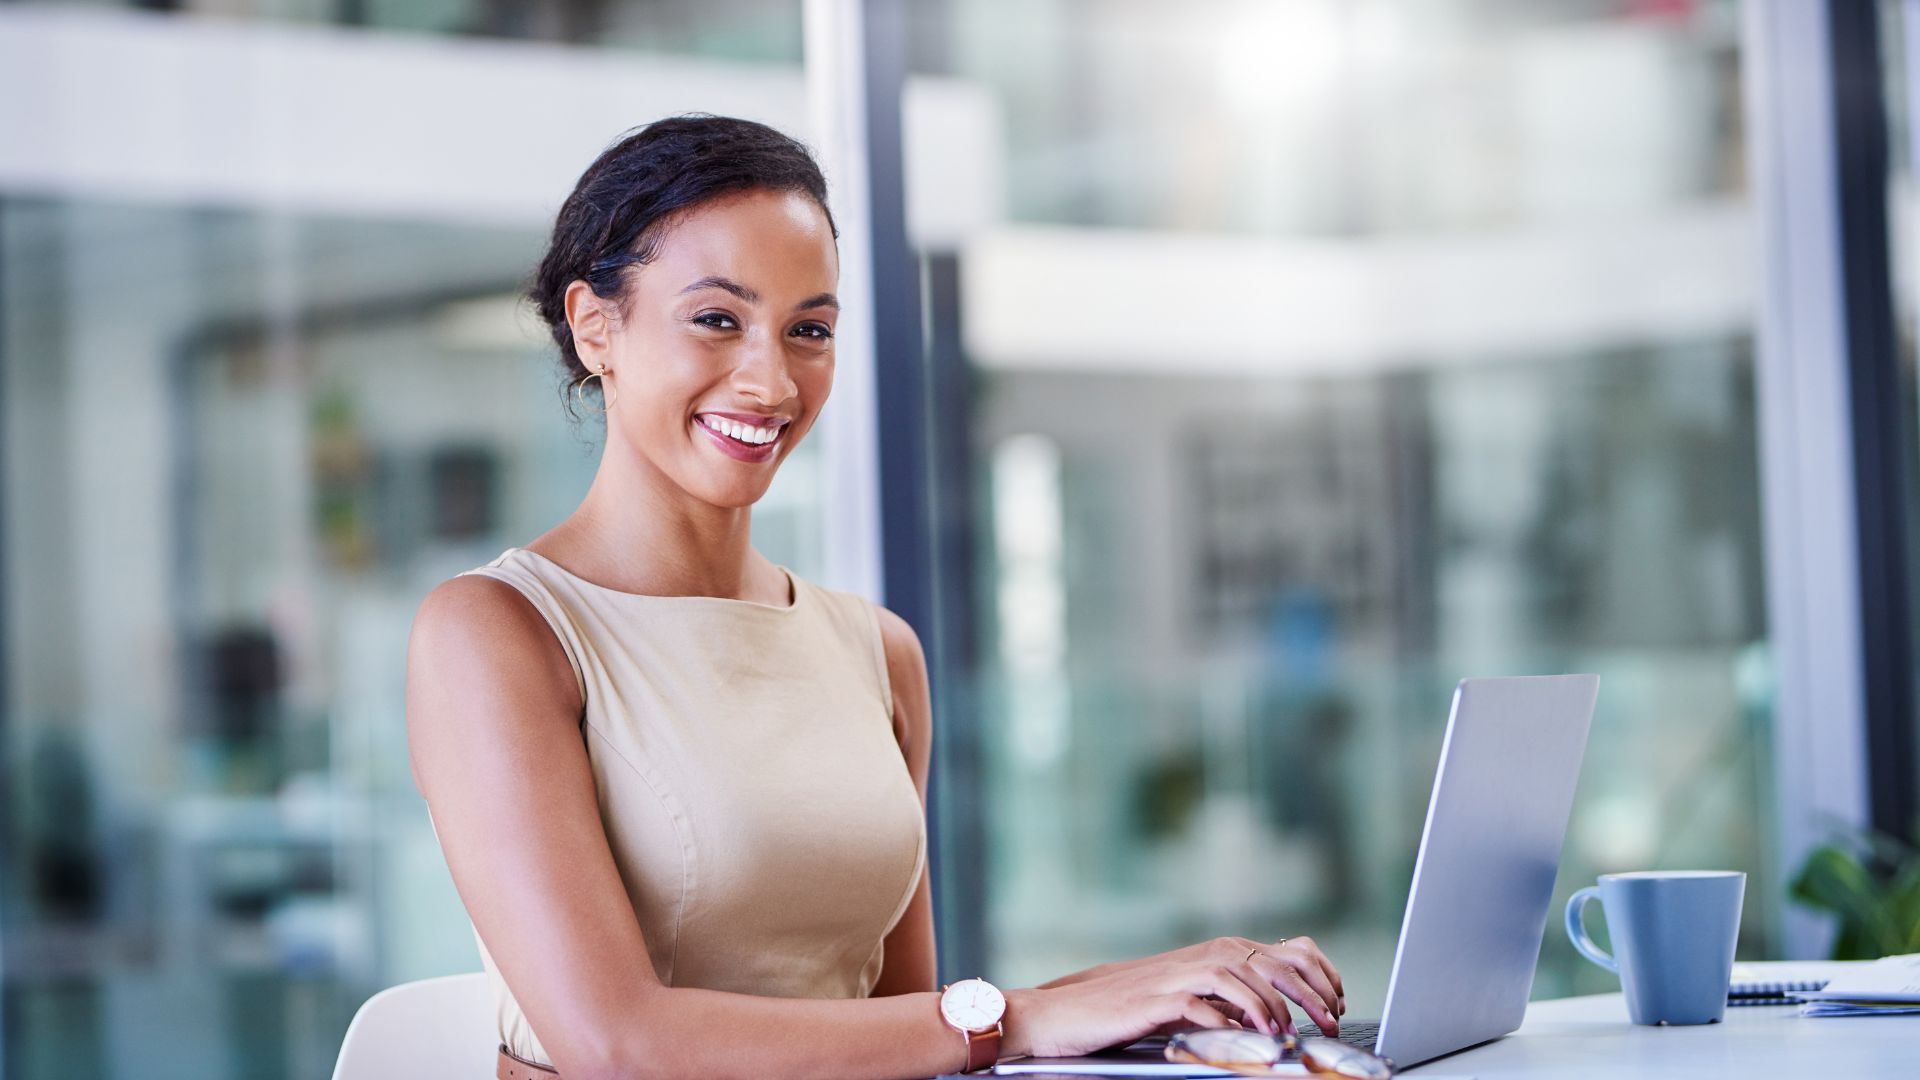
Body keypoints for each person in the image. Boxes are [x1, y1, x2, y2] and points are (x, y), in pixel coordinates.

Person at [406, 114, 1346, 1080]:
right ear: (597, 326)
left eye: (808, 330)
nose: (772, 380)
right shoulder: (499, 635)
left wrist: (1158, 992)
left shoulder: (876, 650)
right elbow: (617, 1045)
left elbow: (909, 1029)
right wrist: (1023, 1017)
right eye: (718, 319)